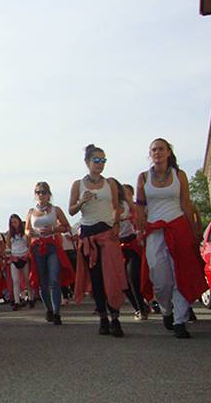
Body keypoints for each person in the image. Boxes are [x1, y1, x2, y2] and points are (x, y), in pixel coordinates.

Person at [135, 138, 208, 338]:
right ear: (150, 154)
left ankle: (180, 321)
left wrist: (194, 231)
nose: (157, 152)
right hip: (154, 230)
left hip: (178, 227)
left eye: (161, 149)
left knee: (180, 274)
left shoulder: (179, 175)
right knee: (160, 277)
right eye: (153, 150)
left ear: (168, 152)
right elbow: (139, 206)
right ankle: (167, 309)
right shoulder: (143, 177)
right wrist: (140, 228)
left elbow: (186, 204)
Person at [69, 144, 128, 337]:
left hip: (106, 233)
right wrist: (81, 202)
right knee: (96, 279)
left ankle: (115, 318)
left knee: (112, 276)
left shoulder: (109, 183)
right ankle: (103, 317)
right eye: (96, 160)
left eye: (103, 161)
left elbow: (116, 207)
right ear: (87, 162)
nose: (100, 164)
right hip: (88, 235)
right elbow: (71, 210)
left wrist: (116, 227)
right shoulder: (78, 184)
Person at [25, 182, 74, 325]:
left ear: (49, 194)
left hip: (52, 245)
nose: (41, 195)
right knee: (42, 281)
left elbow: (66, 226)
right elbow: (27, 230)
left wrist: (53, 229)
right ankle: (49, 309)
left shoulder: (55, 210)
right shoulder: (31, 212)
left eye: (44, 192)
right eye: (38, 192)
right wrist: (31, 233)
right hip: (37, 246)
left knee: (54, 279)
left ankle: (57, 312)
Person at [113, 179, 149, 321]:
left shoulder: (131, 206)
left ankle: (142, 307)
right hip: (117, 246)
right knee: (123, 282)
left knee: (133, 276)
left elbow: (140, 218)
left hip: (132, 243)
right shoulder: (111, 206)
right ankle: (139, 307)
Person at [6, 214, 31, 310]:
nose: (14, 224)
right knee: (15, 280)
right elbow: (8, 246)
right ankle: (17, 301)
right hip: (15, 257)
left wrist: (27, 254)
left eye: (15, 222)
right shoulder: (9, 234)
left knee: (27, 279)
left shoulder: (25, 233)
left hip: (24, 256)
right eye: (12, 223)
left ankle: (30, 297)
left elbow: (29, 244)